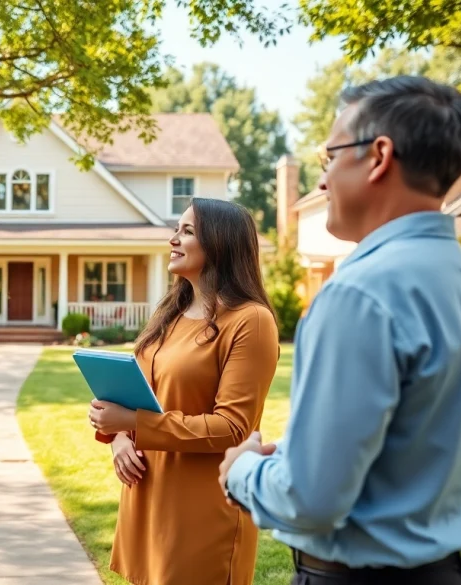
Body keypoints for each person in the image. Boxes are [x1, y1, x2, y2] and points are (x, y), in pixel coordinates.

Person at [220, 76, 461, 585]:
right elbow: (418, 444)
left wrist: (242, 470)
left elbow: (309, 500)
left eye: (329, 157)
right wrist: (298, 452)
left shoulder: (359, 294)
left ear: (378, 156)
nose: (322, 181)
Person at [87, 197, 280, 585]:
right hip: (148, 502)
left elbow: (232, 428)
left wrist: (134, 423)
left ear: (220, 243)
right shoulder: (170, 315)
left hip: (202, 515)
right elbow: (138, 394)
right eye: (177, 229)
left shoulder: (250, 321)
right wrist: (119, 438)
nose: (173, 239)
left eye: (187, 231)